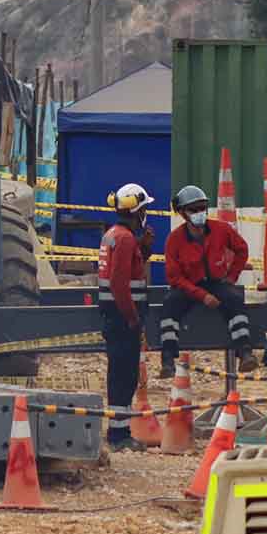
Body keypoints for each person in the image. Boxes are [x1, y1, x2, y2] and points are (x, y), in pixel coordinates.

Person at [159, 185, 254, 379]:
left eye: (202, 208)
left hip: (216, 282)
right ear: (182, 213)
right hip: (188, 286)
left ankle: (245, 352)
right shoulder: (174, 240)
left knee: (234, 300)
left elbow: (242, 249)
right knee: (170, 304)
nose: (199, 213)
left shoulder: (221, 230)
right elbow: (174, 277)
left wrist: (231, 277)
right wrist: (203, 296)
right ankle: (167, 359)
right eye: (193, 209)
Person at [97, 182, 154, 452]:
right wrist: (133, 318)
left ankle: (118, 431)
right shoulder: (125, 239)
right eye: (144, 210)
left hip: (114, 315)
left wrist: (144, 250)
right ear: (137, 212)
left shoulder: (114, 234)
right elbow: (120, 283)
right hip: (122, 318)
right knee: (124, 376)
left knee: (119, 374)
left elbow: (129, 268)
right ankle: (119, 435)